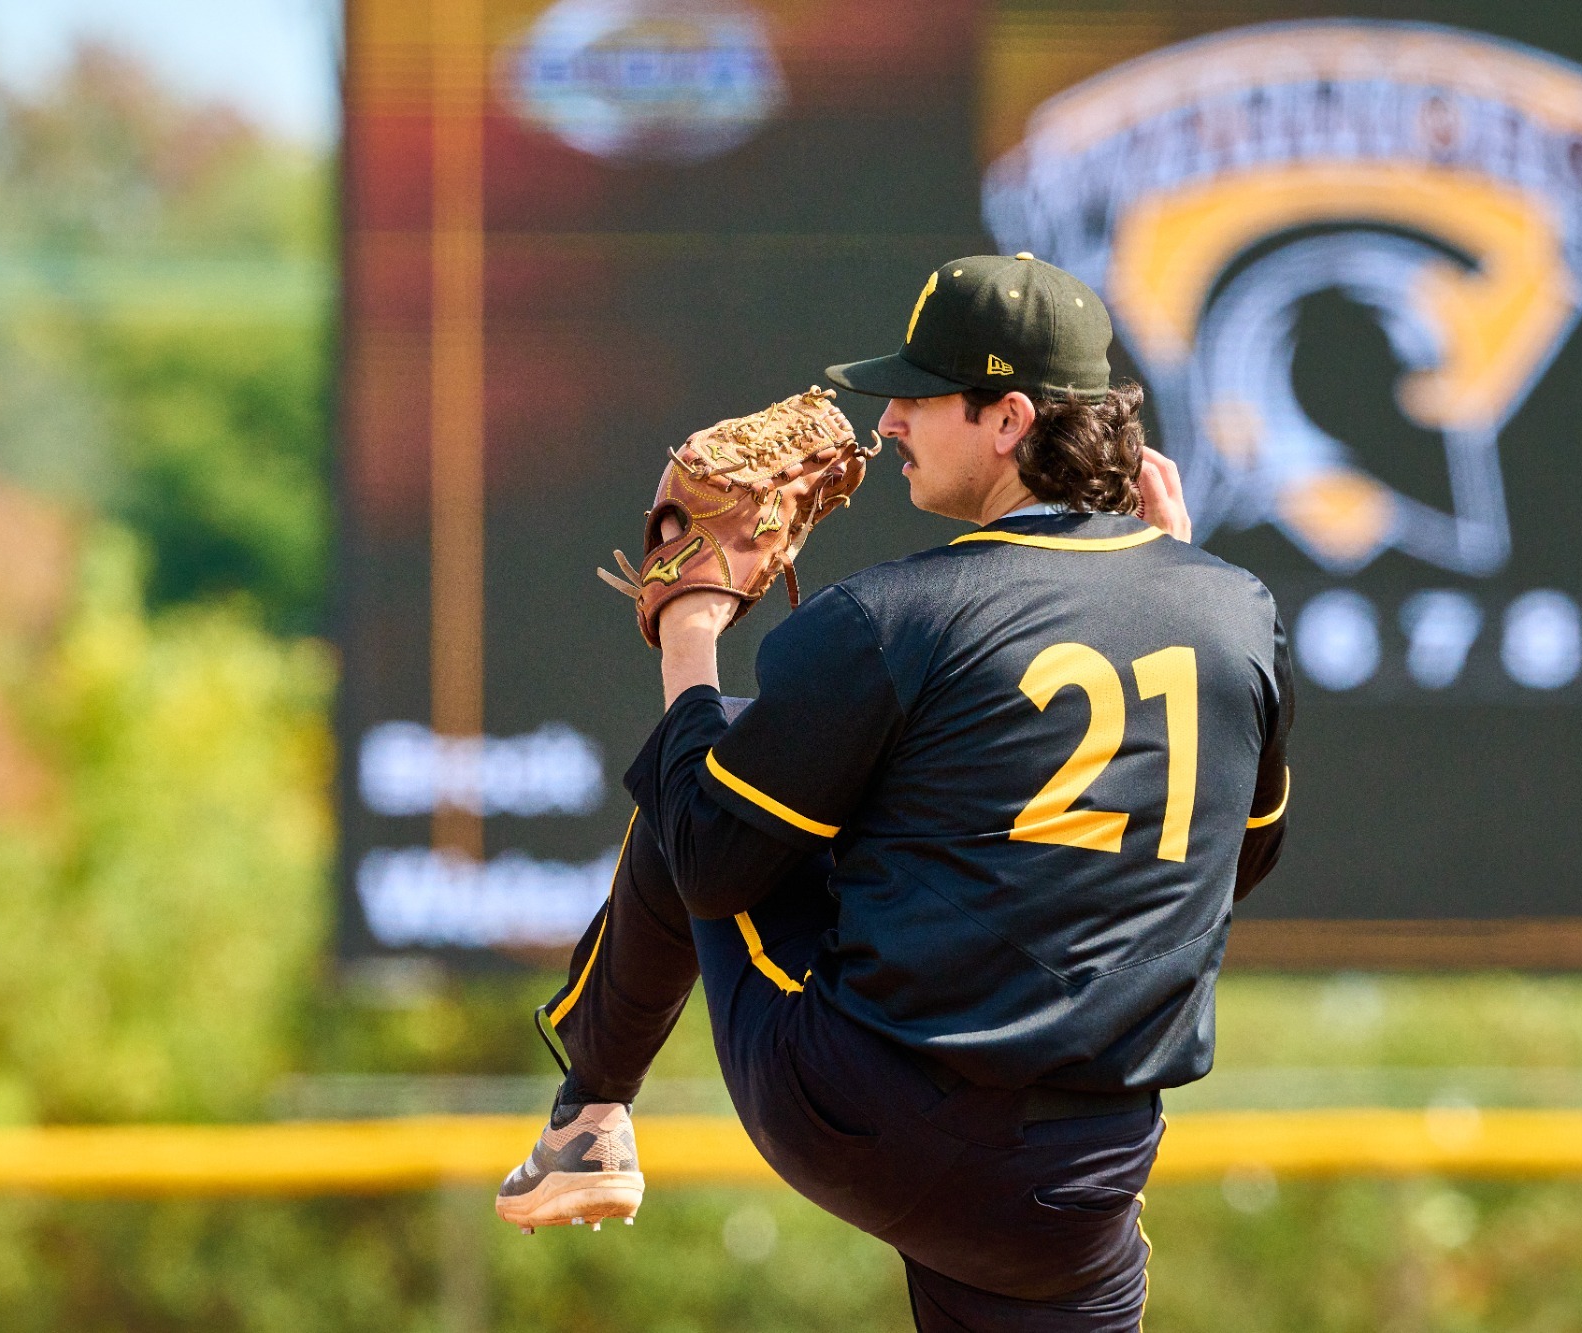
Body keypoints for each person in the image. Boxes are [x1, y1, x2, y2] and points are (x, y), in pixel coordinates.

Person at [497, 253, 1293, 1330]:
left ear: (1007, 418)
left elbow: (706, 860)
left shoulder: (888, 616)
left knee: (708, 762)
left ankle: (587, 1113)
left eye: (918, 395)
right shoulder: (1235, 610)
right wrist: (1180, 575)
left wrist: (690, 623)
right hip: (1082, 1183)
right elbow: (1233, 857)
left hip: (867, 1114)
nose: (888, 423)